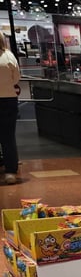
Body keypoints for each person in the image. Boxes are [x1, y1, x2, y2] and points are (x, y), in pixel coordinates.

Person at [0, 35, 21, 185]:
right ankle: (10, 172)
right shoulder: (9, 56)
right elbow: (16, 78)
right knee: (8, 137)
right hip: (8, 99)